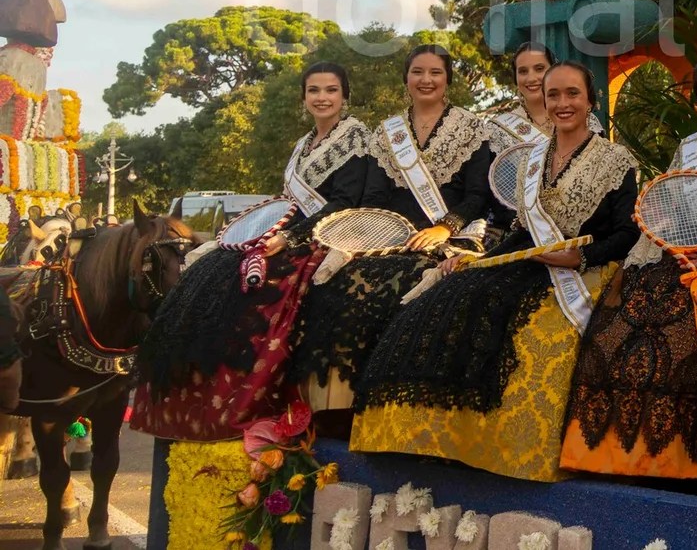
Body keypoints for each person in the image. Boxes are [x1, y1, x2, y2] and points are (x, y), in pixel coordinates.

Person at [350, 62, 641, 482]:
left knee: (533, 331)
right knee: (449, 297)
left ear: (591, 101)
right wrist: (479, 260)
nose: (562, 103)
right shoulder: (532, 160)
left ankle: (510, 449)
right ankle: (432, 438)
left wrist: (579, 258)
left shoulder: (615, 160)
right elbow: (522, 229)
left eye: (572, 94)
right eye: (554, 95)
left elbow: (626, 233)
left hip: (584, 267)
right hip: (530, 258)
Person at [561, 53, 697, 495]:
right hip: (683, 254)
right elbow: (672, 208)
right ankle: (614, 451)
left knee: (695, 326)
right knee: (625, 316)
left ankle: (694, 458)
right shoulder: (687, 148)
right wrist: (667, 234)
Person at [132, 61, 371, 441]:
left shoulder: (356, 139)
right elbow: (288, 202)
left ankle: (252, 401)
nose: (322, 98)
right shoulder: (302, 145)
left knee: (267, 287)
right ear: (304, 97)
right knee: (216, 268)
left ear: (345, 96)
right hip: (288, 231)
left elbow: (344, 202)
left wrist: (290, 239)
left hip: (327, 233)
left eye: (331, 90)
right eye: (314, 90)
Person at [288, 44, 496, 422]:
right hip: (391, 237)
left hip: (451, 234)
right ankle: (339, 406)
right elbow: (373, 198)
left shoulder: (472, 128)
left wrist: (443, 228)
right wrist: (382, 234)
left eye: (435, 72)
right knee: (343, 284)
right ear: (406, 78)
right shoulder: (387, 134)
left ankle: (408, 405)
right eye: (418, 72)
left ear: (448, 78)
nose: (426, 80)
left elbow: (477, 196)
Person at [485, 42, 606, 152]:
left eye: (539, 69)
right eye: (523, 71)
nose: (531, 78)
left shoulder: (584, 120)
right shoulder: (500, 130)